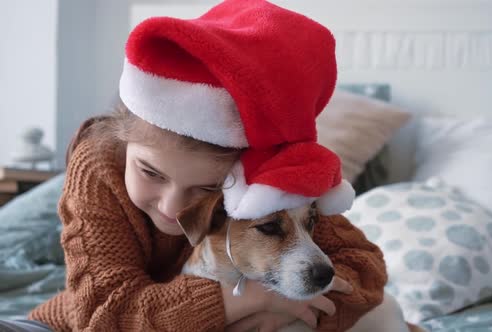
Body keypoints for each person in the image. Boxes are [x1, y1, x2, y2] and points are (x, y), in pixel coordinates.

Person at [16, 0, 387, 331]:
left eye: (209, 187)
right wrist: (252, 300)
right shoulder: (98, 167)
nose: (173, 208)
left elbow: (365, 270)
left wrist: (285, 313)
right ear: (125, 143)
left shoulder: (269, 190)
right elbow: (102, 317)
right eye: (151, 173)